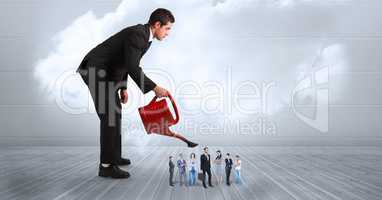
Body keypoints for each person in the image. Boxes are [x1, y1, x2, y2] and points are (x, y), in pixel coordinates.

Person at [76, 8, 174, 178]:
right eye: (167, 29)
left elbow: (125, 62)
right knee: (110, 115)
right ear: (157, 25)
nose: (168, 34)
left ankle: (114, 157)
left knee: (116, 114)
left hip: (107, 72)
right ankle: (106, 166)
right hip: (95, 69)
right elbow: (133, 67)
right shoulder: (138, 35)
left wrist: (123, 87)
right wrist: (154, 87)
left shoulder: (146, 37)